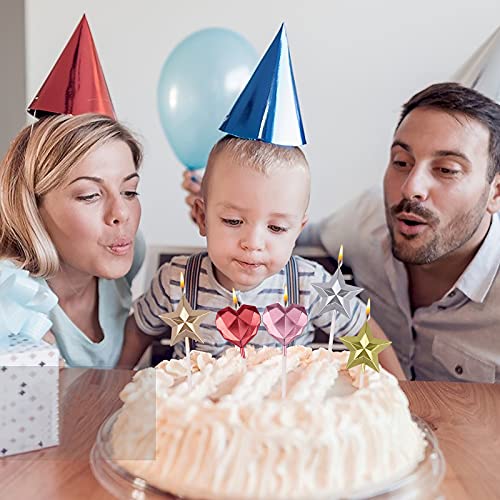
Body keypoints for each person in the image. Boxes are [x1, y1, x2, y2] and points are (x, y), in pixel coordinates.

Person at [120, 135, 404, 377]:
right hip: (202, 425)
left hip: (282, 423)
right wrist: (112, 383)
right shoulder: (176, 282)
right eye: (233, 221)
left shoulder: (309, 285)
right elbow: (137, 331)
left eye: (277, 228)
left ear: (297, 231)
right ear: (202, 217)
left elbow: (364, 332)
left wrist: (402, 394)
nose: (253, 243)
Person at [0, 113, 146, 368]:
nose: (121, 214)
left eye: (129, 191)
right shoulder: (13, 298)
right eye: (90, 196)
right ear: (32, 208)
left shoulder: (126, 252)